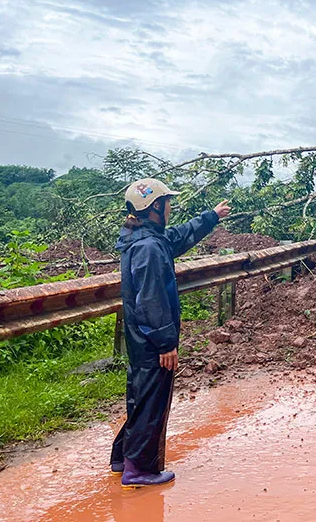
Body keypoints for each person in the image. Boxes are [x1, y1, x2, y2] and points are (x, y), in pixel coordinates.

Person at [109, 178, 230, 488]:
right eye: (167, 203)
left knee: (142, 396)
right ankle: (139, 469)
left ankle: (122, 457)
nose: (171, 208)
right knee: (153, 402)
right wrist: (166, 343)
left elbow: (178, 237)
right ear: (154, 209)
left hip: (140, 337)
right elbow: (151, 299)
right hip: (151, 338)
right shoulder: (149, 248)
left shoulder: (146, 239)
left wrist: (211, 217)